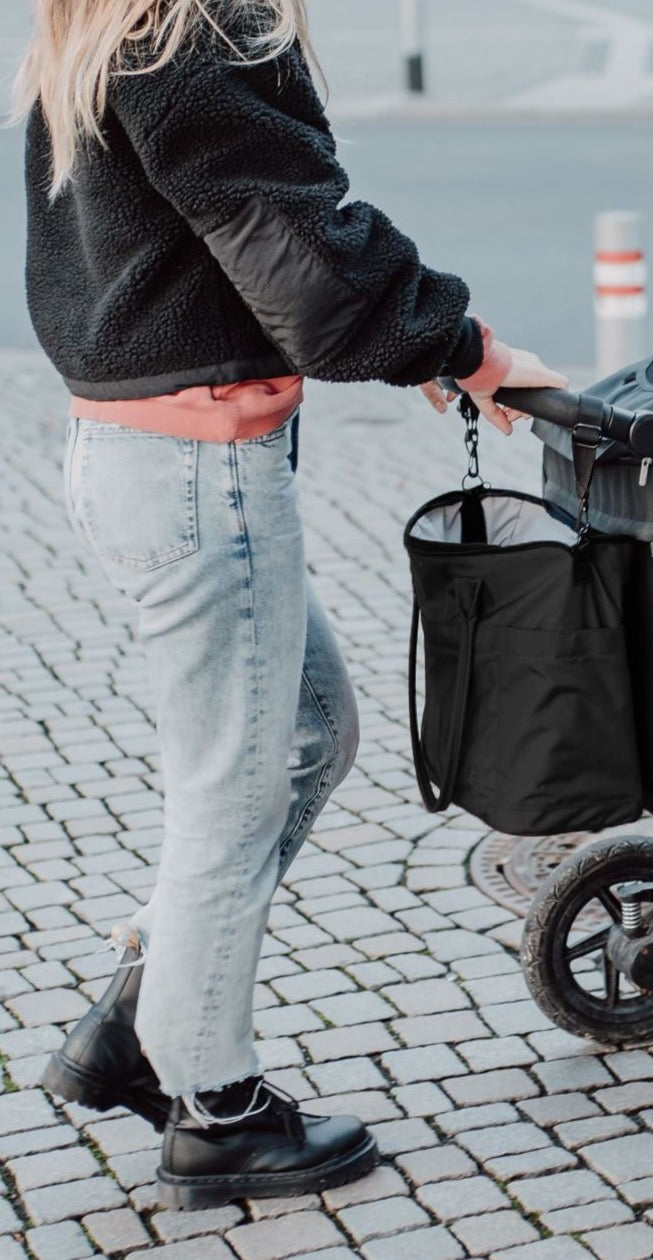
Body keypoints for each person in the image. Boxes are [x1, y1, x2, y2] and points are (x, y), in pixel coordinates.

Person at [15, 0, 567, 1210]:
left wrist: (420, 348)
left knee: (314, 731)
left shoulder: (111, 31)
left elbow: (243, 245)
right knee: (233, 786)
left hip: (144, 456)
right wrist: (465, 348)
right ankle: (215, 1110)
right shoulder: (187, 35)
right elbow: (306, 252)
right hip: (196, 471)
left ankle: (136, 1021)